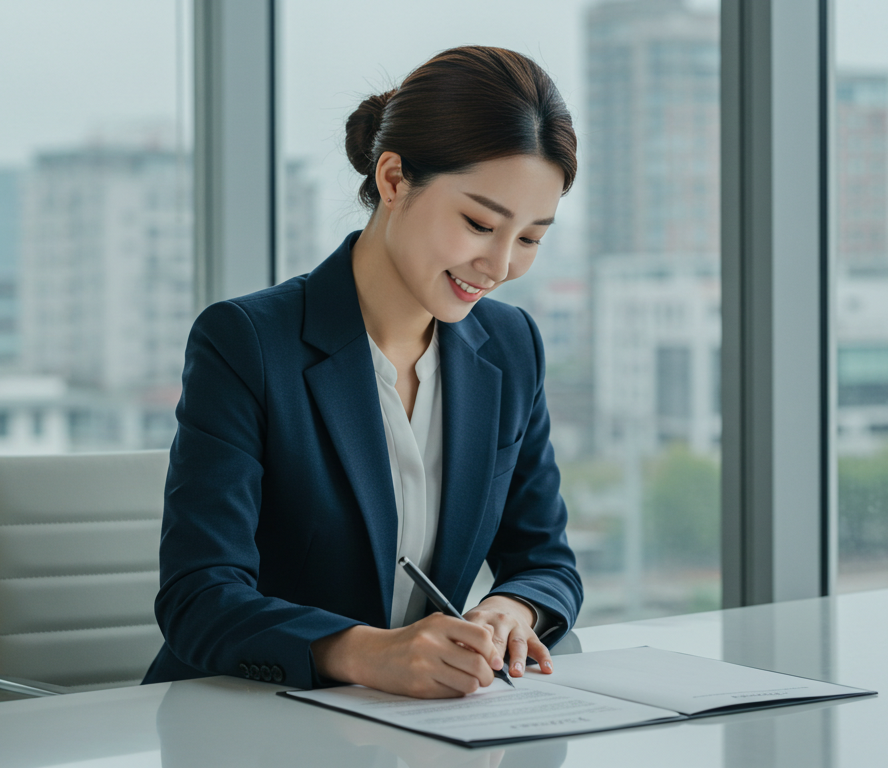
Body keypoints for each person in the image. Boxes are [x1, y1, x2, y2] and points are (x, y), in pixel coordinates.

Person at [142, 45, 583, 699]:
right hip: (249, 726)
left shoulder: (511, 346)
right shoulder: (248, 344)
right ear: (394, 179)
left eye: (529, 239)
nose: (498, 266)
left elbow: (545, 559)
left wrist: (511, 610)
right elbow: (199, 597)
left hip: (425, 729)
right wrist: (367, 655)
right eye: (479, 223)